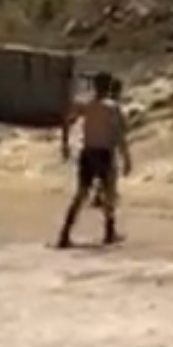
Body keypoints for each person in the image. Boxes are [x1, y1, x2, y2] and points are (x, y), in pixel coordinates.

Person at [56, 71, 131, 249]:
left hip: (88, 152)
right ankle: (109, 232)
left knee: (81, 194)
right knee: (109, 193)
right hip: (104, 153)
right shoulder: (112, 108)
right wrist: (126, 157)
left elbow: (67, 121)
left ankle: (65, 233)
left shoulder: (86, 105)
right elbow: (119, 135)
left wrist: (65, 143)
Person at [90, 76, 124, 211]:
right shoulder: (114, 104)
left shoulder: (106, 102)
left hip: (99, 142)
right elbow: (117, 126)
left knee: (102, 173)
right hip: (108, 144)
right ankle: (105, 198)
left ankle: (100, 196)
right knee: (110, 174)